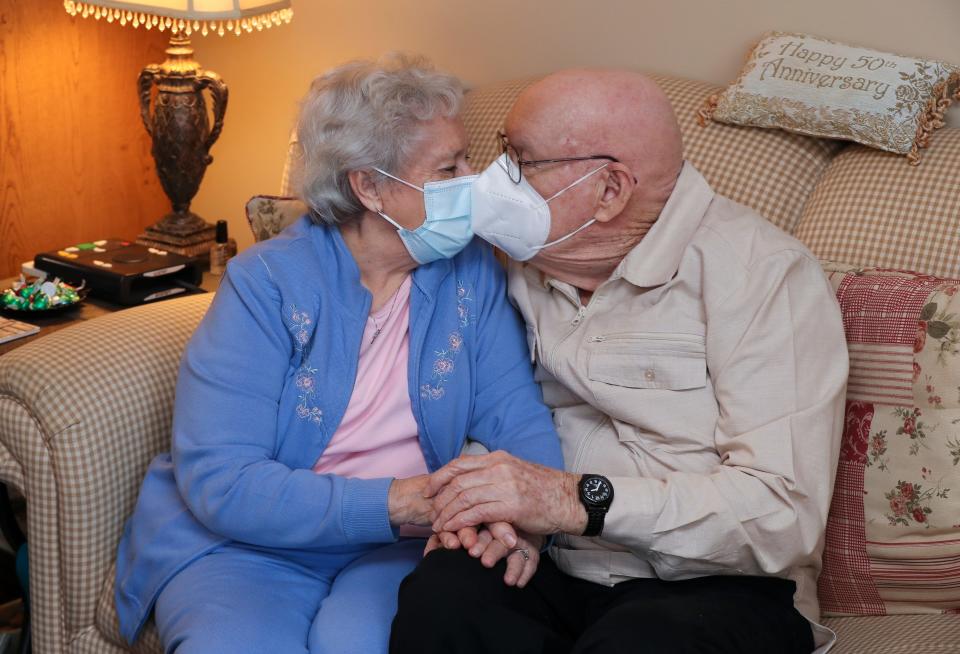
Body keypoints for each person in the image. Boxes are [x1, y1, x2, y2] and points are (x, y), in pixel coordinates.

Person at [113, 55, 562, 654]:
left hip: (398, 547)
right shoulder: (265, 283)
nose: (472, 179)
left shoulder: (470, 272)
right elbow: (223, 481)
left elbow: (516, 415)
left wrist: (530, 520)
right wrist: (401, 499)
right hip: (249, 544)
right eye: (449, 167)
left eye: (466, 159)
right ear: (369, 186)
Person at [390, 69, 848, 653]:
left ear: (609, 190)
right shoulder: (511, 262)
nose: (491, 181)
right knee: (441, 597)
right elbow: (493, 407)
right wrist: (486, 508)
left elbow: (782, 517)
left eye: (521, 162)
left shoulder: (763, 275)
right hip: (549, 562)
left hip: (712, 585)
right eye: (502, 152)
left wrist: (568, 500)